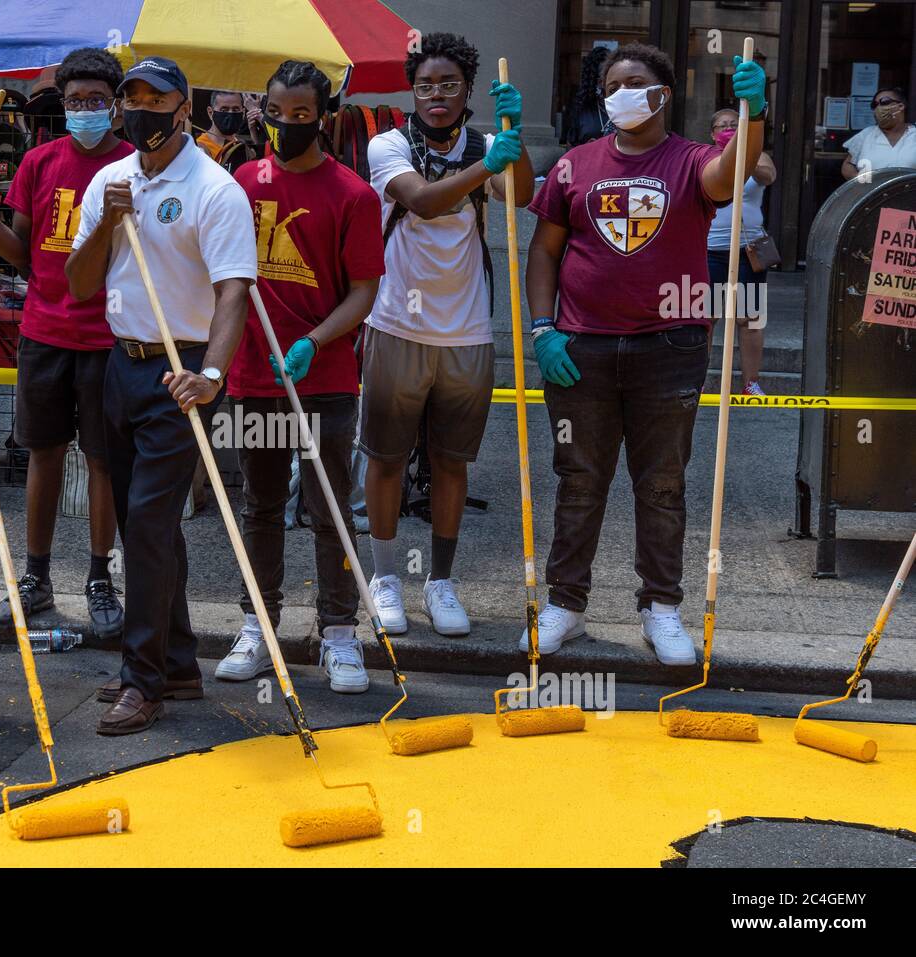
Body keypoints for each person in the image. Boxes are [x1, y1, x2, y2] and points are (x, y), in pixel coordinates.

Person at [524, 43, 766, 665]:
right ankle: (566, 605)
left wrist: (753, 116)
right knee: (578, 480)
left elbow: (733, 172)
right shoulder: (575, 166)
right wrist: (542, 329)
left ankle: (661, 608)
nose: (622, 93)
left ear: (662, 92)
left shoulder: (692, 160)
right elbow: (544, 251)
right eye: (613, 84)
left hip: (671, 345)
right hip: (581, 347)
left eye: (636, 82)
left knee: (661, 483)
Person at [65, 56, 256, 735]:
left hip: (182, 374)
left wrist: (212, 373)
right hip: (123, 364)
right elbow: (80, 284)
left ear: (183, 107)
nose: (140, 105)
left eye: (156, 95)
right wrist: (111, 224)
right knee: (142, 522)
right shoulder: (107, 182)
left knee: (147, 522)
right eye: (132, 95)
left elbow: (235, 289)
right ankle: (176, 659)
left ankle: (142, 678)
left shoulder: (215, 187)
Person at [212, 60, 383, 693]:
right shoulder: (241, 184)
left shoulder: (353, 195)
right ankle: (258, 624)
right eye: (277, 114)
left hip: (326, 377)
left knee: (330, 508)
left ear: (325, 116)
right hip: (255, 376)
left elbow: (364, 292)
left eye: (301, 116)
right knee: (260, 506)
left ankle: (340, 632)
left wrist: (315, 339)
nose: (287, 126)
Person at [361, 31, 533, 637]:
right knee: (384, 457)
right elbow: (424, 202)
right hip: (397, 324)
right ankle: (384, 580)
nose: (435, 95)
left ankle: (439, 582)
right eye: (425, 84)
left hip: (466, 331)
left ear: (466, 91)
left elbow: (522, 194)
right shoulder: (388, 144)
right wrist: (487, 163)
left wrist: (515, 133)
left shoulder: (485, 142)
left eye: (449, 85)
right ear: (412, 89)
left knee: (450, 462)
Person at [0, 47, 131, 639]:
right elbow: (18, 252)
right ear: (62, 107)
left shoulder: (132, 166)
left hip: (109, 335)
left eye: (97, 101)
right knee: (42, 454)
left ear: (116, 107)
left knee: (102, 458)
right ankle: (35, 578)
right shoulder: (39, 162)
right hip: (44, 329)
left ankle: (99, 577)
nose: (86, 110)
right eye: (75, 102)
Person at [706, 107, 776, 396]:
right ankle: (697, 379)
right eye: (722, 125)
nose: (729, 128)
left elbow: (767, 177)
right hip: (711, 249)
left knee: (749, 319)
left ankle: (751, 383)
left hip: (748, 251)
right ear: (712, 134)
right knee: (707, 318)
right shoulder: (705, 157)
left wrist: (742, 154)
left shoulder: (758, 155)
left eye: (735, 124)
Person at [842, 87, 916, 179]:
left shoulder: (913, 135)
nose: (878, 108)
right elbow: (848, 164)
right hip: (874, 192)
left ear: (900, 106)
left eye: (884, 102)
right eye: (875, 105)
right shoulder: (866, 135)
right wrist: (861, 181)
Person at [196, 89, 263, 172]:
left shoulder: (242, 146)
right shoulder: (199, 148)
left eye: (235, 110)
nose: (230, 114)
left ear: (243, 113)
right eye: (224, 110)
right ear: (210, 112)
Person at [562, 46, 610, 147]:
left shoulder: (624, 108)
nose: (604, 84)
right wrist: (585, 149)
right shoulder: (582, 108)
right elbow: (571, 147)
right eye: (600, 80)